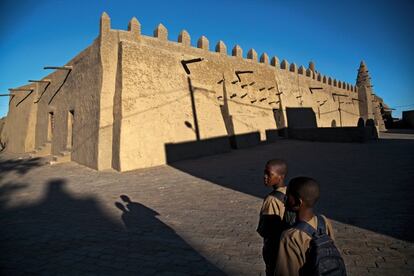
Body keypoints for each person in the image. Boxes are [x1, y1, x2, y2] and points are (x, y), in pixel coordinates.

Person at [275, 177, 339, 276]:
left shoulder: (290, 237)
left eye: (288, 196)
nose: (284, 199)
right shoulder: (323, 220)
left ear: (298, 202)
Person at [257, 159, 288, 276]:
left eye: (269, 174)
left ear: (281, 176)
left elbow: (265, 230)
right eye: (264, 173)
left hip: (275, 249)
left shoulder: (271, 200)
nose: (265, 177)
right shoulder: (289, 192)